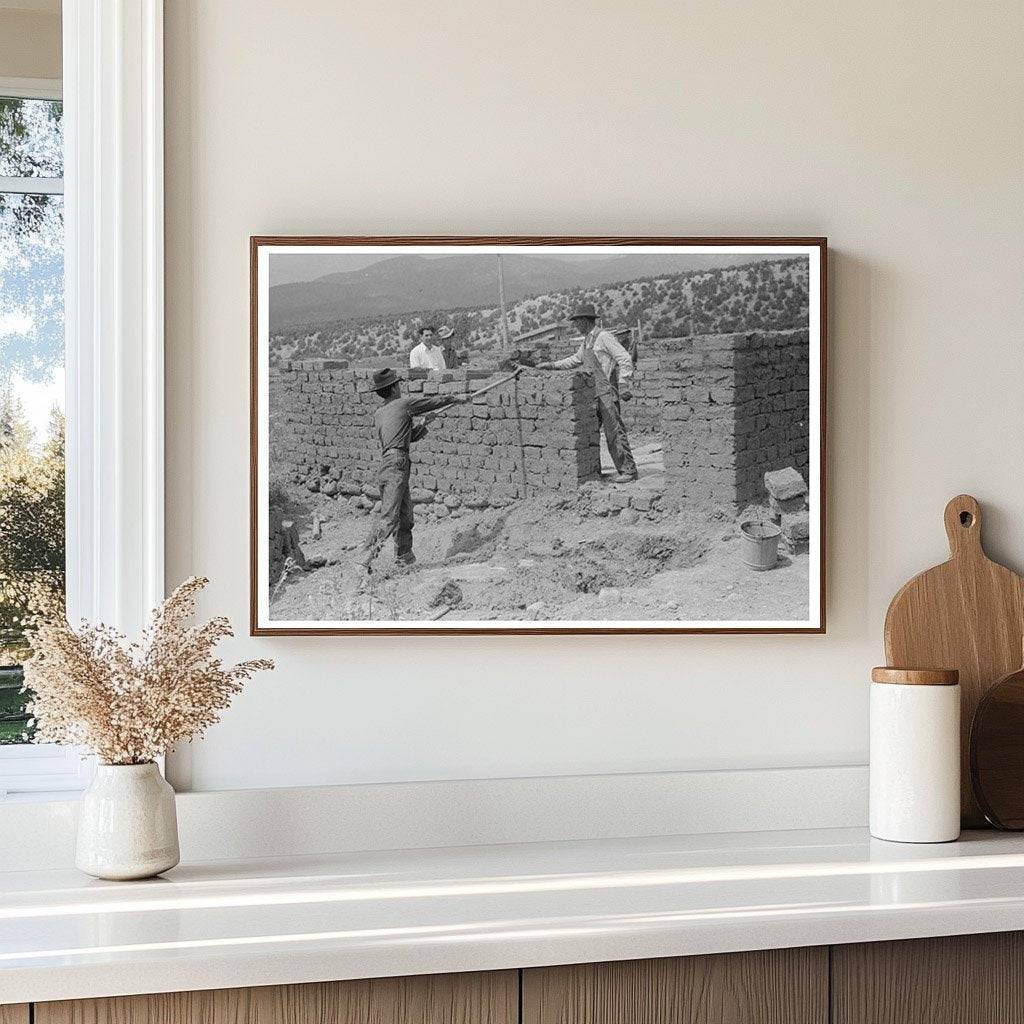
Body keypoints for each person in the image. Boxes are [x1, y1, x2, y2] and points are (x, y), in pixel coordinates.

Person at [357, 367, 469, 570]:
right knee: (390, 516)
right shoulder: (403, 404)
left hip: (394, 463)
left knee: (405, 516)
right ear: (393, 389)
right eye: (398, 385)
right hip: (396, 464)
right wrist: (457, 398)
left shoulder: (380, 412)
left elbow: (405, 439)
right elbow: (431, 402)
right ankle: (363, 560)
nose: (400, 388)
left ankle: (404, 557)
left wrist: (424, 424)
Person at [534, 304, 638, 483]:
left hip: (606, 391)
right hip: (592, 392)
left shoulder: (604, 337)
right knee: (590, 432)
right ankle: (593, 470)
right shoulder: (587, 341)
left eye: (577, 322)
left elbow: (625, 358)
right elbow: (575, 360)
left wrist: (624, 382)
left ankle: (628, 470)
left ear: (584, 321)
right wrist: (551, 365)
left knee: (614, 431)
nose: (575, 326)